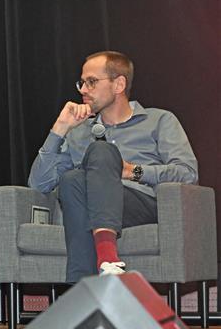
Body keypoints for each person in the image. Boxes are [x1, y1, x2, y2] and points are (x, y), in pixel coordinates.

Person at [27, 51, 198, 283]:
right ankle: (90, 282)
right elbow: (39, 184)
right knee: (71, 180)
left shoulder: (159, 121)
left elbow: (187, 174)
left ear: (119, 84)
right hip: (89, 205)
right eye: (82, 83)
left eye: (91, 82)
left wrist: (132, 171)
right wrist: (59, 129)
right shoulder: (78, 133)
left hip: (141, 205)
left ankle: (105, 257)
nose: (83, 90)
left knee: (101, 150)